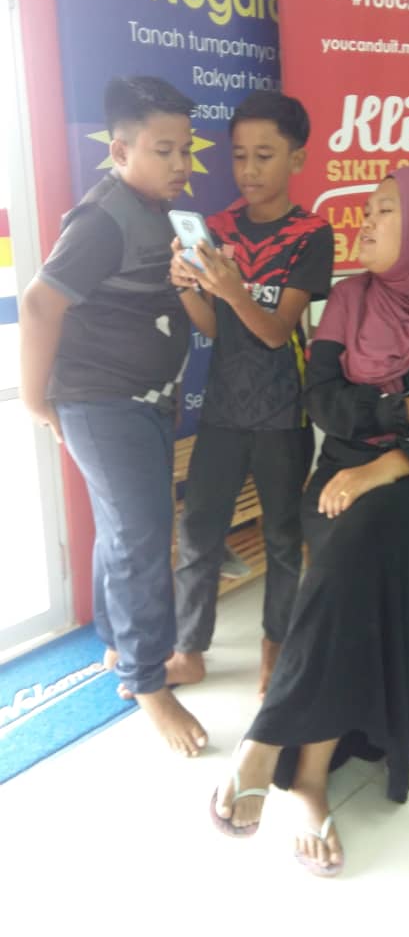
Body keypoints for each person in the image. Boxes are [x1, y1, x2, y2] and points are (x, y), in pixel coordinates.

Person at [209, 167, 409, 876]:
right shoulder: (348, 299)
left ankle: (273, 745)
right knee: (355, 542)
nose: (365, 223)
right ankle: (307, 774)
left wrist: (386, 464)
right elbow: (323, 400)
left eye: (384, 211)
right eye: (366, 210)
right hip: (349, 471)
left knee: (360, 538)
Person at [19, 75, 208, 757]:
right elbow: (39, 303)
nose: (180, 164)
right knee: (140, 538)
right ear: (121, 150)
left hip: (146, 400)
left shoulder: (158, 210)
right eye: (164, 150)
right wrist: (35, 400)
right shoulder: (102, 219)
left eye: (186, 150)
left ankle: (117, 642)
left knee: (124, 530)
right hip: (102, 402)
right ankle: (146, 681)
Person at [165, 91, 334, 698]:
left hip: (284, 412)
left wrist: (234, 288)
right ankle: (189, 649)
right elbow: (216, 329)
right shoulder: (218, 229)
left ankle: (276, 648)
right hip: (223, 410)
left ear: (297, 159)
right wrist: (186, 285)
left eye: (265, 155)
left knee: (284, 538)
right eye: (239, 156)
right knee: (199, 530)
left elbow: (276, 331)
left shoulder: (311, 234)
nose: (249, 170)